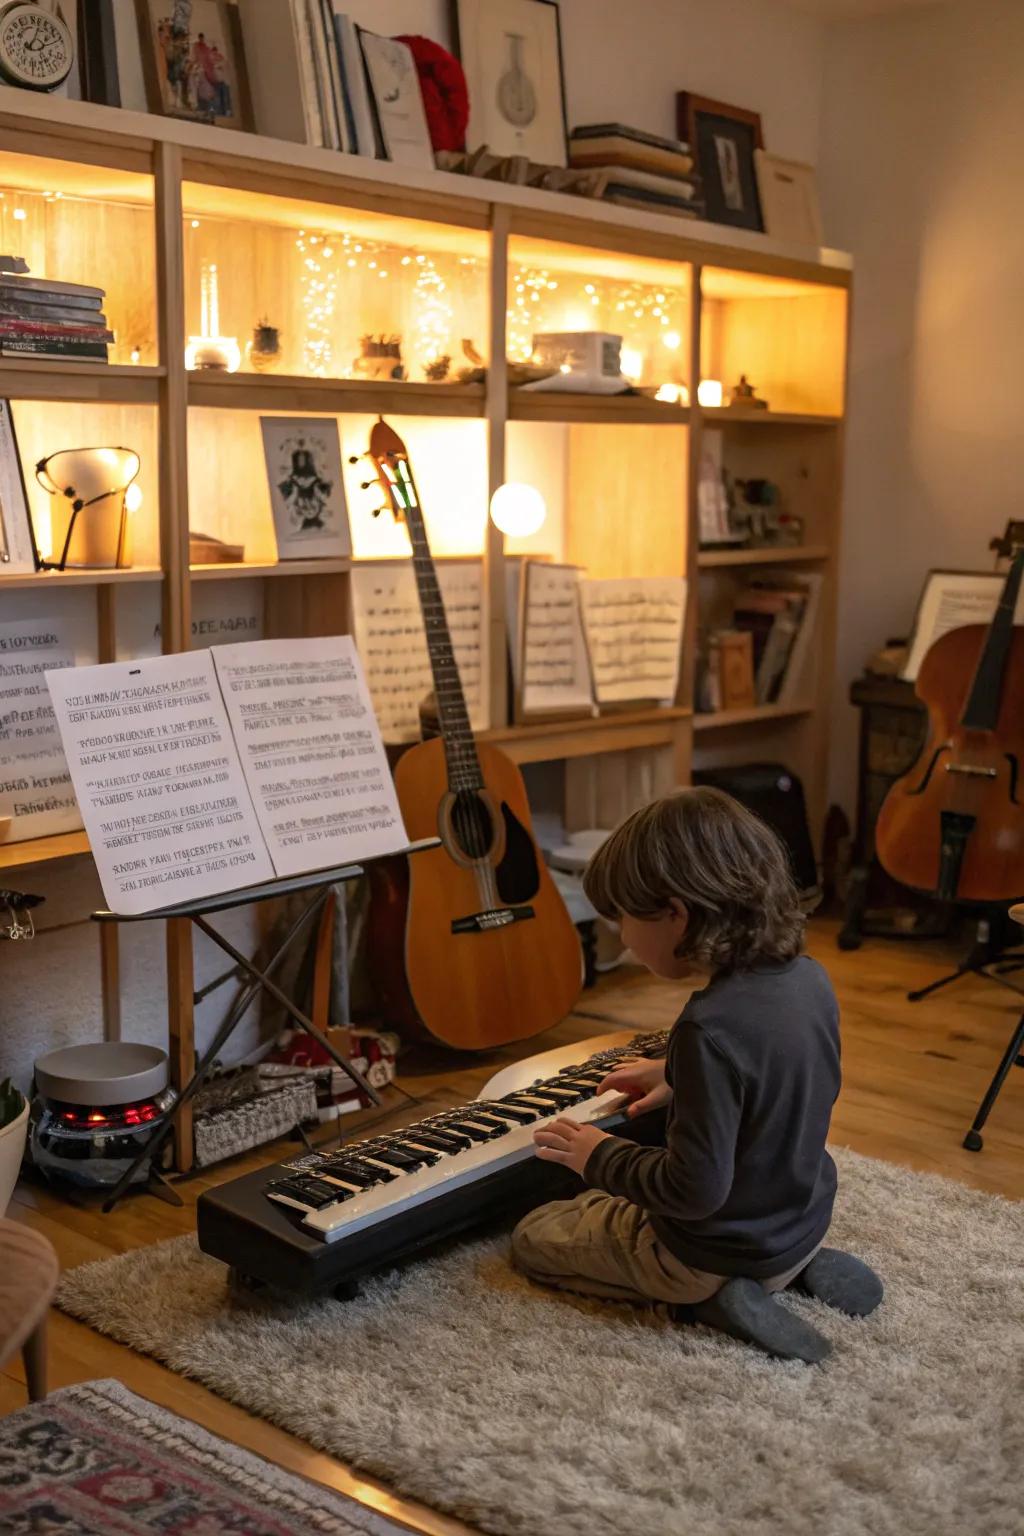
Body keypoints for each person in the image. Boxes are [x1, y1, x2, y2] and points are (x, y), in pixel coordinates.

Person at [511, 787, 882, 1361]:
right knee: (595, 1216)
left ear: (676, 914)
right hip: (799, 1220)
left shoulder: (707, 1027)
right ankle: (792, 1269)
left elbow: (693, 1190)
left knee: (536, 1235)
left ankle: (708, 1302)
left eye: (625, 920)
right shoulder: (809, 978)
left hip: (711, 1252)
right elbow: (771, 1078)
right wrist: (678, 1075)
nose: (623, 939)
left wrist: (596, 1155)